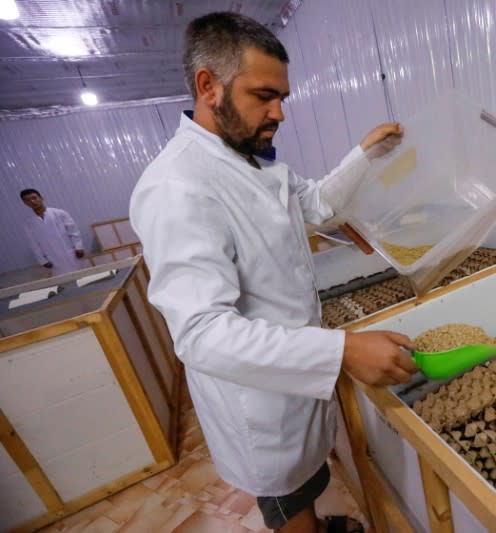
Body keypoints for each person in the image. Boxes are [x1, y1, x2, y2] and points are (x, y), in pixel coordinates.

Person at [129, 12, 417, 533]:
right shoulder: (178, 186)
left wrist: (364, 154)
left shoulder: (251, 161)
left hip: (291, 375)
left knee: (304, 480)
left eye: (282, 97)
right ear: (207, 85)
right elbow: (200, 334)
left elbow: (314, 202)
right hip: (257, 401)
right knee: (283, 497)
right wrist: (344, 350)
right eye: (264, 95)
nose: (279, 112)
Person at [20, 188, 85, 276]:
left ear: (41, 198)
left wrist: (79, 247)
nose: (32, 201)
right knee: (64, 282)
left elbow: (73, 232)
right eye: (27, 200)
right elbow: (34, 243)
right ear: (25, 203)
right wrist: (42, 260)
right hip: (53, 258)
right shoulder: (29, 223)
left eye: (34, 198)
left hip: (71, 253)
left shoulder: (60, 213)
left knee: (82, 278)